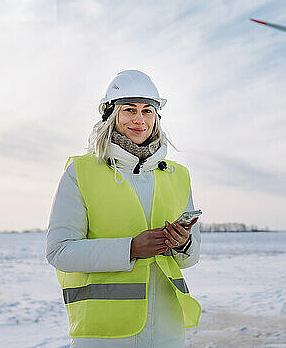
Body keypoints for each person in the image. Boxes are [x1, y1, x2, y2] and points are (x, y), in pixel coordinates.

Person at [46, 69, 201, 347]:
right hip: (104, 334)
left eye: (147, 111)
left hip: (167, 330)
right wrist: (130, 248)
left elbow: (190, 259)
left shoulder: (178, 175)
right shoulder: (81, 172)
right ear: (111, 116)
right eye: (129, 109)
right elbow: (59, 251)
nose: (139, 120)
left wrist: (183, 244)